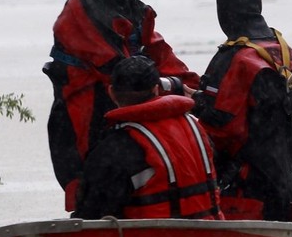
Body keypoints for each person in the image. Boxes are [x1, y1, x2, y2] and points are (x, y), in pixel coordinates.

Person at [45, 0, 199, 211]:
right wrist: (173, 87)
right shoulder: (80, 8)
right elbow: (122, 72)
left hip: (121, 114)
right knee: (92, 193)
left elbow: (160, 54)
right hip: (82, 121)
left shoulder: (136, 10)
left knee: (126, 192)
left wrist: (199, 87)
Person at [192, 0, 292, 221]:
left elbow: (219, 130)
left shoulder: (233, 57)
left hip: (242, 190)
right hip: (279, 180)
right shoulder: (281, 48)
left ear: (223, 9)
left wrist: (195, 106)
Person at [74, 55, 222, 220]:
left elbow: (91, 214)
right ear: (156, 89)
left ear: (111, 93)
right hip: (211, 236)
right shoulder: (196, 128)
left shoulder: (116, 148)